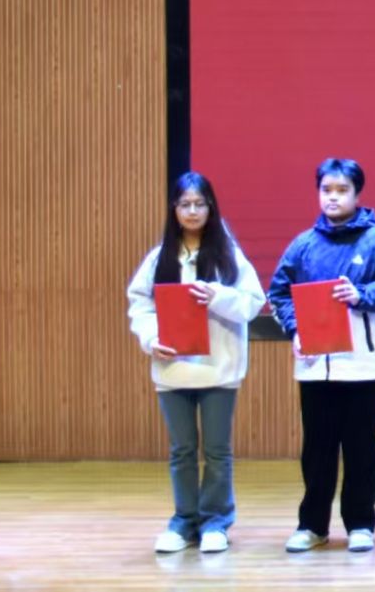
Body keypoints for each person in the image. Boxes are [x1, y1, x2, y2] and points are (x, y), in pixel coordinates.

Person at [266, 157, 375, 554]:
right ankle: (312, 525)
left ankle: (361, 524)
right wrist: (296, 328)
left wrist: (361, 295)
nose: (333, 197)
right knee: (317, 449)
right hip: (315, 366)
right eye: (326, 190)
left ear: (357, 194)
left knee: (361, 448)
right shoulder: (303, 245)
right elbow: (279, 292)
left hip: (363, 365)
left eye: (342, 190)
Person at [125, 171, 266, 554]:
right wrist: (151, 338)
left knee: (217, 450)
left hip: (219, 369)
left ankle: (216, 522)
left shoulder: (228, 256)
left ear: (210, 207)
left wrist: (217, 295)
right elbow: (139, 304)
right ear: (174, 209)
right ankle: (184, 521)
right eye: (184, 204)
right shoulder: (159, 258)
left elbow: (253, 303)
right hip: (173, 370)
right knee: (182, 450)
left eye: (199, 204)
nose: (191, 211)